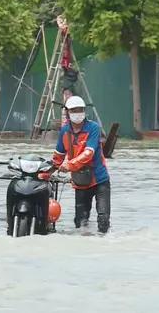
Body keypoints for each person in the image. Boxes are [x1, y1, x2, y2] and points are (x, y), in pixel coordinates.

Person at [50, 96, 111, 233]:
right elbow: (58, 156)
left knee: (103, 219)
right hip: (81, 182)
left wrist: (69, 166)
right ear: (68, 112)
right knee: (80, 221)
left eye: (80, 110)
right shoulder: (64, 131)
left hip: (99, 179)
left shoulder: (93, 128)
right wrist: (44, 172)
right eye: (74, 110)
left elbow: (88, 153)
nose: (77, 113)